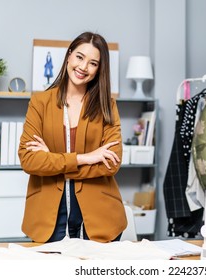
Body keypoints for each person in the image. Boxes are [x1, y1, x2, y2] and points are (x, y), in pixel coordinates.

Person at [18, 31, 127, 243]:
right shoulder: (40, 102)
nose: (83, 67)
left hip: (101, 217)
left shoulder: (107, 106)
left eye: (93, 63)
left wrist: (52, 161)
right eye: (79, 57)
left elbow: (110, 163)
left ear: (99, 70)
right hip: (47, 218)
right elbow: (29, 160)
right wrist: (84, 158)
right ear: (69, 56)